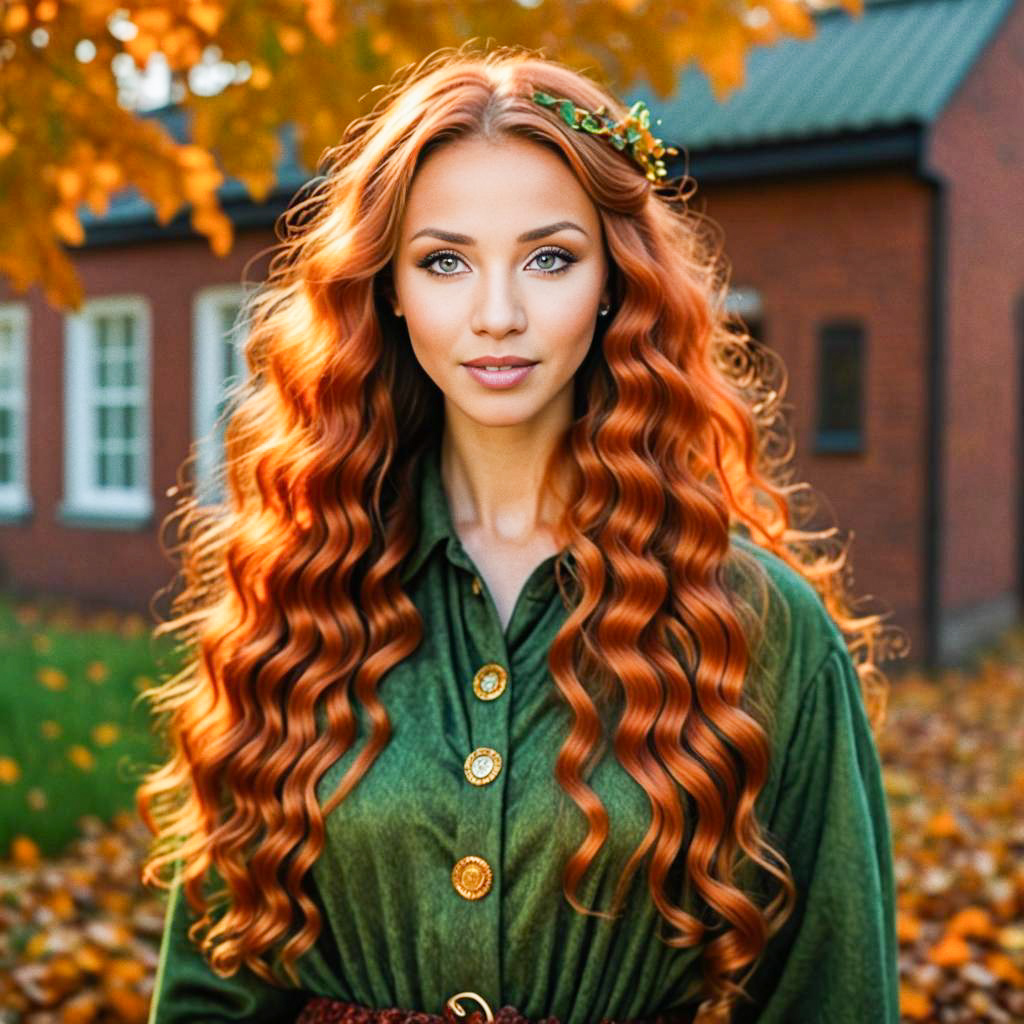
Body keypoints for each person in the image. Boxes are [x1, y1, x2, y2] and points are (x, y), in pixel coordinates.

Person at [138, 41, 906, 1024]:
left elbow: (829, 995)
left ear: (614, 284)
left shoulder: (760, 628)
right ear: (389, 291)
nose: (496, 314)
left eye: (549, 258)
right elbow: (212, 983)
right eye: (445, 260)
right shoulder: (293, 591)